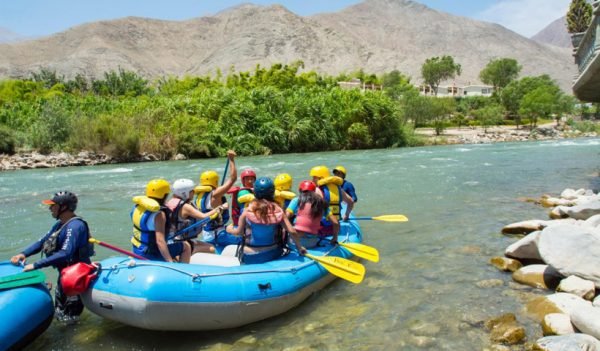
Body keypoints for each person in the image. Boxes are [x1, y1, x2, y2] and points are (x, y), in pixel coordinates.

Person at [11, 191, 94, 325]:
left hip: (75, 278)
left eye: (53, 205)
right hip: (64, 275)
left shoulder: (75, 226)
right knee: (60, 313)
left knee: (70, 319)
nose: (50, 208)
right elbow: (42, 242)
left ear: (64, 207)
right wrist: (23, 254)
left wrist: (36, 265)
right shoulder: (60, 224)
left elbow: (65, 253)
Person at [226, 177, 304, 264]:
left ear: (255, 193)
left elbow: (239, 233)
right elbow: (292, 231)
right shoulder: (279, 210)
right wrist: (300, 247)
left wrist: (229, 229)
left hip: (251, 255)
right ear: (272, 192)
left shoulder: (246, 211)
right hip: (273, 252)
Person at [131, 179, 191, 263]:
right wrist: (170, 262)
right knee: (186, 246)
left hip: (137, 250)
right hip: (151, 254)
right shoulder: (159, 215)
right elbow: (160, 241)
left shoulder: (137, 207)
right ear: (164, 195)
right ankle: (181, 271)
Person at [166, 178, 228, 253]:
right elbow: (203, 216)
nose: (194, 193)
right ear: (185, 193)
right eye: (192, 191)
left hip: (175, 240)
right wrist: (221, 207)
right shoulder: (186, 207)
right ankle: (191, 252)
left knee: (209, 246)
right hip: (181, 242)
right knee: (212, 249)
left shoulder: (171, 203)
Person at [195, 150, 240, 246]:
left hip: (207, 234)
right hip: (218, 236)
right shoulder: (215, 194)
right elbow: (233, 178)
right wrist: (231, 160)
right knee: (244, 240)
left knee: (231, 227)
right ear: (215, 181)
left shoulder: (199, 196)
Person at [286, 180, 338, 248]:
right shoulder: (322, 203)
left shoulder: (296, 200)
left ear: (300, 190)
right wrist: (334, 238)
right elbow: (335, 223)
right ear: (314, 191)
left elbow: (286, 217)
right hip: (312, 242)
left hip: (294, 241)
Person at [310, 165, 354, 239]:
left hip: (321, 229)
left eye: (314, 177)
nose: (312, 180)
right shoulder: (338, 189)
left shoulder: (317, 190)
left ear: (321, 178)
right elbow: (351, 202)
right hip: (335, 228)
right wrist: (346, 215)